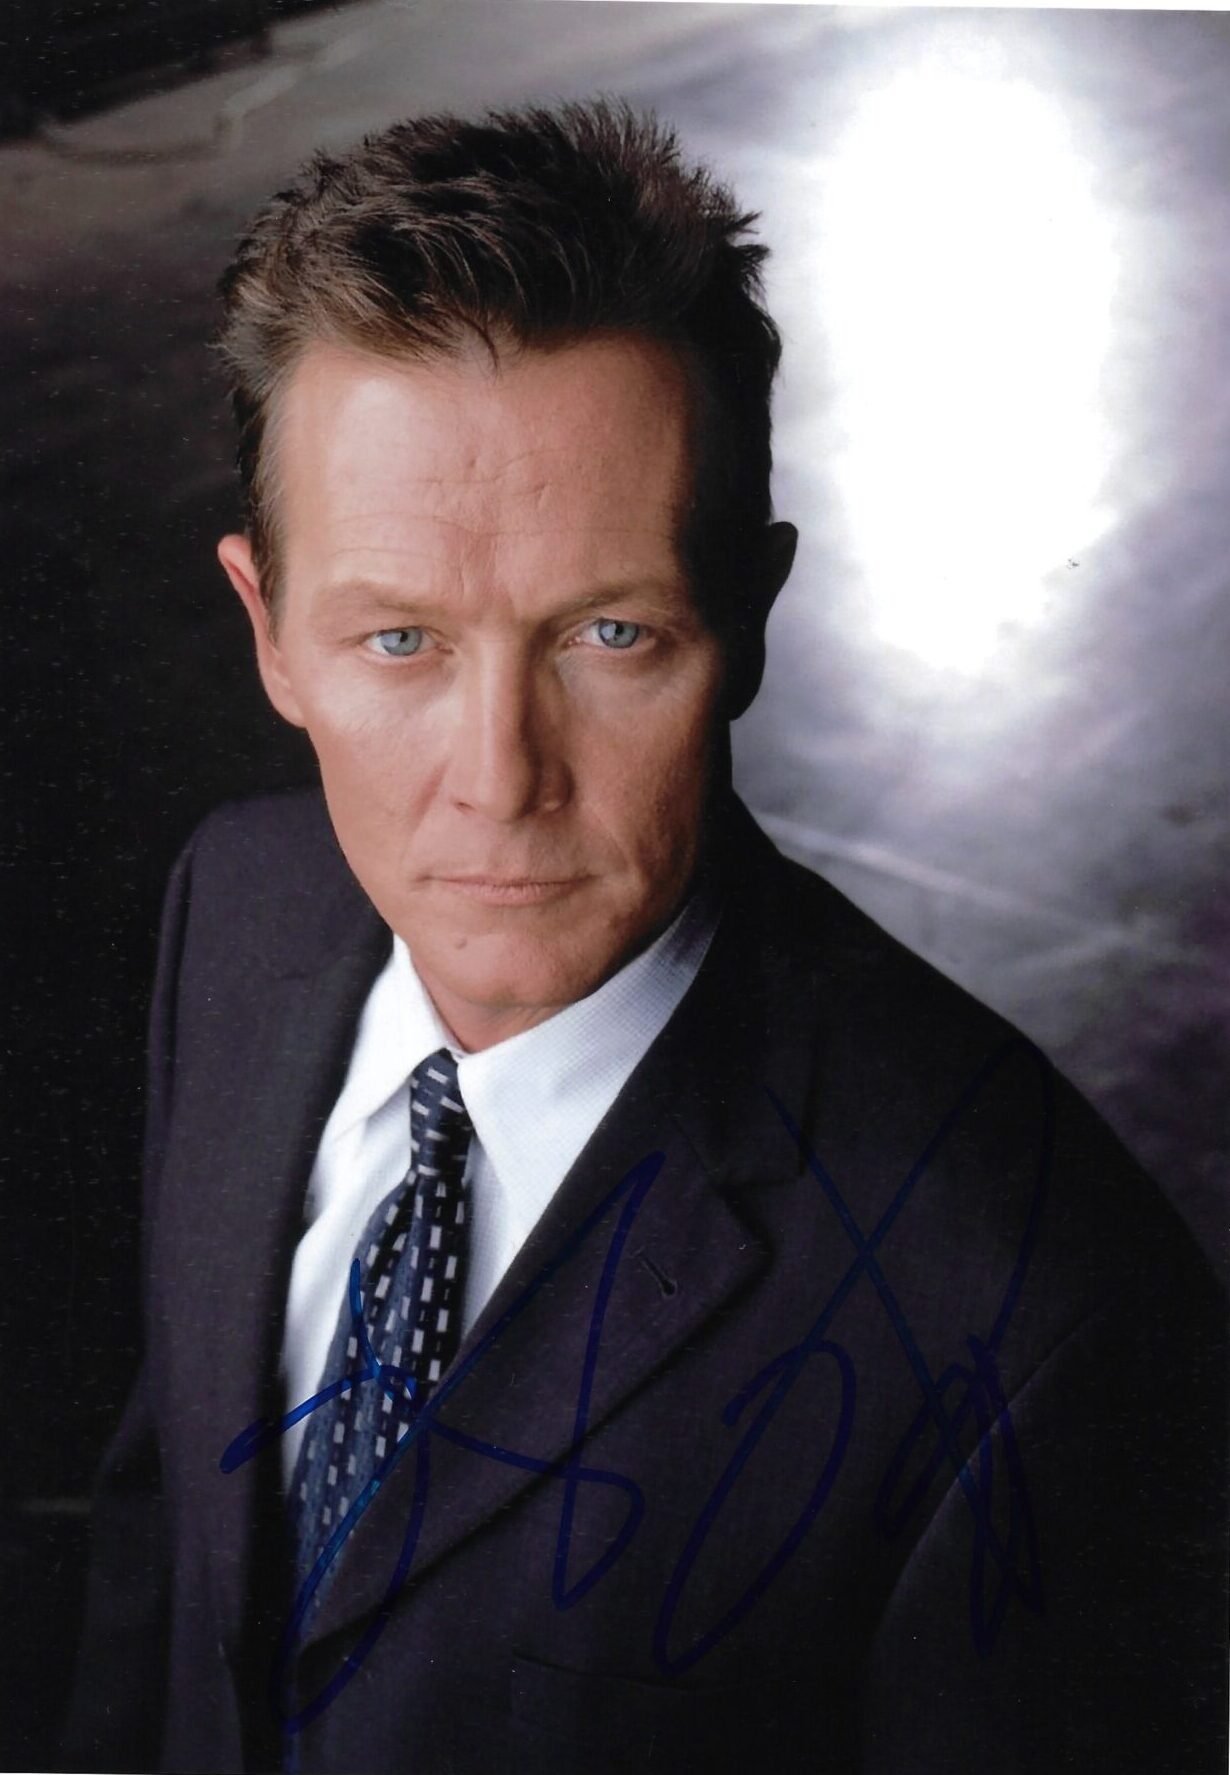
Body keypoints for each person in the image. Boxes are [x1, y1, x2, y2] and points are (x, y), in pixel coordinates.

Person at [66, 100, 1225, 1774]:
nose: (498, 780)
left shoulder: (1031, 1314)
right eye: (398, 642)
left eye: (609, 634)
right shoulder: (239, 910)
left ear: (743, 618)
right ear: (269, 631)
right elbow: (163, 1573)